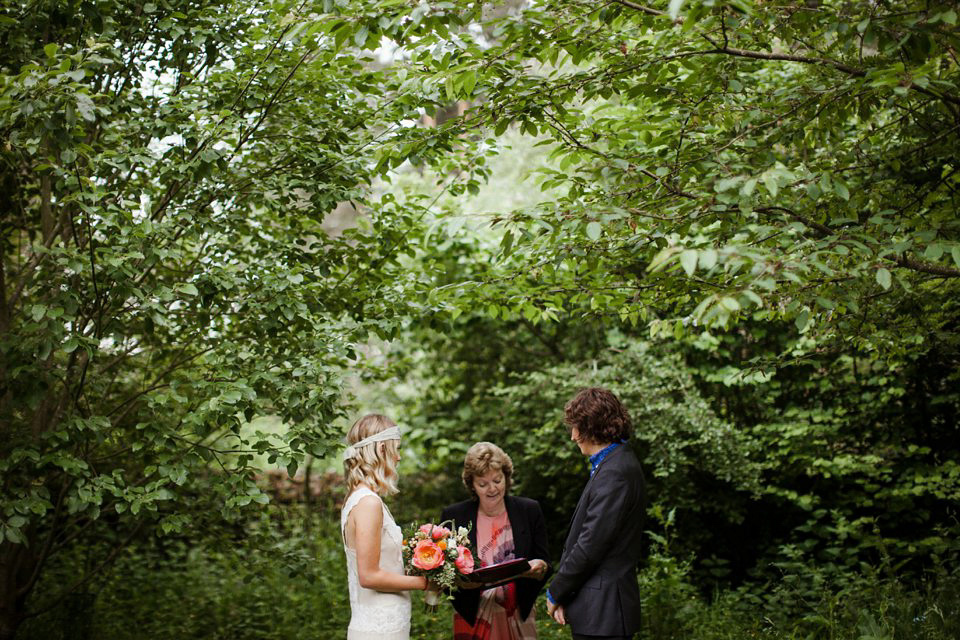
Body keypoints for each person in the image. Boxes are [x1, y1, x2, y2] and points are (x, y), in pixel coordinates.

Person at [546, 388, 646, 640]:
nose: (572, 437)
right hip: (599, 610)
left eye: (576, 428)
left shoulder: (615, 472)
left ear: (592, 427)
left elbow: (591, 544)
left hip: (605, 613)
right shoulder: (615, 463)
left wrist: (556, 591)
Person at [441, 442, 551, 640]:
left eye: (497, 480)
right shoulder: (453, 516)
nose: (492, 489)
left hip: (519, 614)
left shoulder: (529, 510)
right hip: (472, 615)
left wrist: (538, 567)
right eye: (483, 484)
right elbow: (445, 574)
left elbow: (544, 561)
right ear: (472, 485)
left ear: (507, 477)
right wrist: (462, 583)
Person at [341, 414, 433, 640]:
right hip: (378, 632)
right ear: (382, 449)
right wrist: (425, 583)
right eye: (396, 448)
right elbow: (369, 576)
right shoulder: (368, 503)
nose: (399, 457)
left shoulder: (360, 498)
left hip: (385, 627)